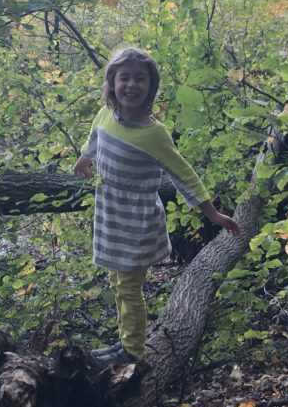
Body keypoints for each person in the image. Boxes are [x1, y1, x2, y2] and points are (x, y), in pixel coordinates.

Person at [73, 46, 240, 366]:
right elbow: (95, 136)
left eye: (140, 79)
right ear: (112, 82)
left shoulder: (155, 133)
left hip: (137, 221)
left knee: (128, 285)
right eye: (125, 78)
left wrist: (212, 214)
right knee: (116, 282)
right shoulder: (106, 114)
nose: (131, 85)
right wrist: (84, 157)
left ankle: (133, 350)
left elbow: (184, 174)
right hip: (111, 215)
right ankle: (125, 340)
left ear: (150, 87)